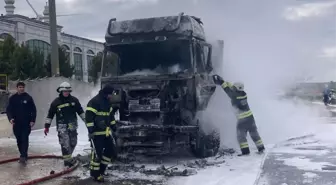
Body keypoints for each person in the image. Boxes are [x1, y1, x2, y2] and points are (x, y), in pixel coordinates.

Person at [212, 75, 265, 156]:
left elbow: (228, 90)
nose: (233, 88)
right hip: (250, 119)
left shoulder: (235, 96)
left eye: (234, 87)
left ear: (236, 89)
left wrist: (222, 82)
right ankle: (261, 149)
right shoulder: (243, 94)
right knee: (254, 133)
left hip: (242, 120)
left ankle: (245, 152)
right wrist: (225, 81)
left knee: (241, 137)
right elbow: (232, 88)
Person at [44, 82, 85, 167]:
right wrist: (46, 126)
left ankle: (68, 158)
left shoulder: (74, 100)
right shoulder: (56, 102)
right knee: (65, 143)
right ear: (61, 91)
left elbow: (80, 112)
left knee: (73, 142)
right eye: (65, 91)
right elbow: (50, 115)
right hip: (62, 126)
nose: (66, 93)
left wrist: (87, 121)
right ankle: (67, 161)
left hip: (72, 125)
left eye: (68, 91)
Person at [86, 85, 118, 182]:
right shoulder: (95, 102)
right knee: (97, 154)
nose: (112, 96)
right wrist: (91, 131)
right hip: (96, 134)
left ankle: (102, 170)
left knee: (110, 151)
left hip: (106, 133)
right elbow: (89, 117)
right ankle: (96, 175)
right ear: (107, 94)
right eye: (111, 94)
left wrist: (114, 127)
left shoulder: (108, 103)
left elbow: (111, 116)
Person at [6, 81, 36, 164]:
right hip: (16, 123)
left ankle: (23, 156)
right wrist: (11, 118)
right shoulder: (13, 98)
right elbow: (9, 110)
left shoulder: (28, 98)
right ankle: (23, 154)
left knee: (24, 138)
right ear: (17, 88)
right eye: (20, 87)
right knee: (19, 140)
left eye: (22, 87)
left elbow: (33, 110)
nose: (21, 89)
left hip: (26, 123)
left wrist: (32, 120)